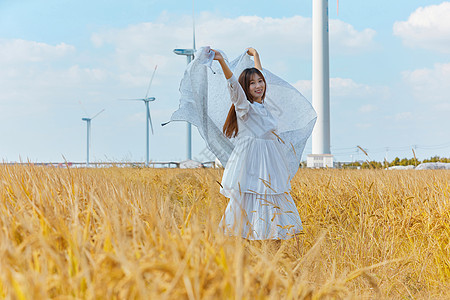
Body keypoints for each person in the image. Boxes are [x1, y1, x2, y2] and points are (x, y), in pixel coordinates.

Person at [212, 48, 304, 240]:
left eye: (260, 81)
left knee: (271, 196)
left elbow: (261, 79)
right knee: (250, 196)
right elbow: (233, 86)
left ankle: (270, 237)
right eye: (252, 84)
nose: (258, 86)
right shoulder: (244, 107)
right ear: (245, 88)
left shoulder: (264, 105)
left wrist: (257, 58)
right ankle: (250, 239)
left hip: (270, 159)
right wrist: (221, 61)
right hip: (253, 159)